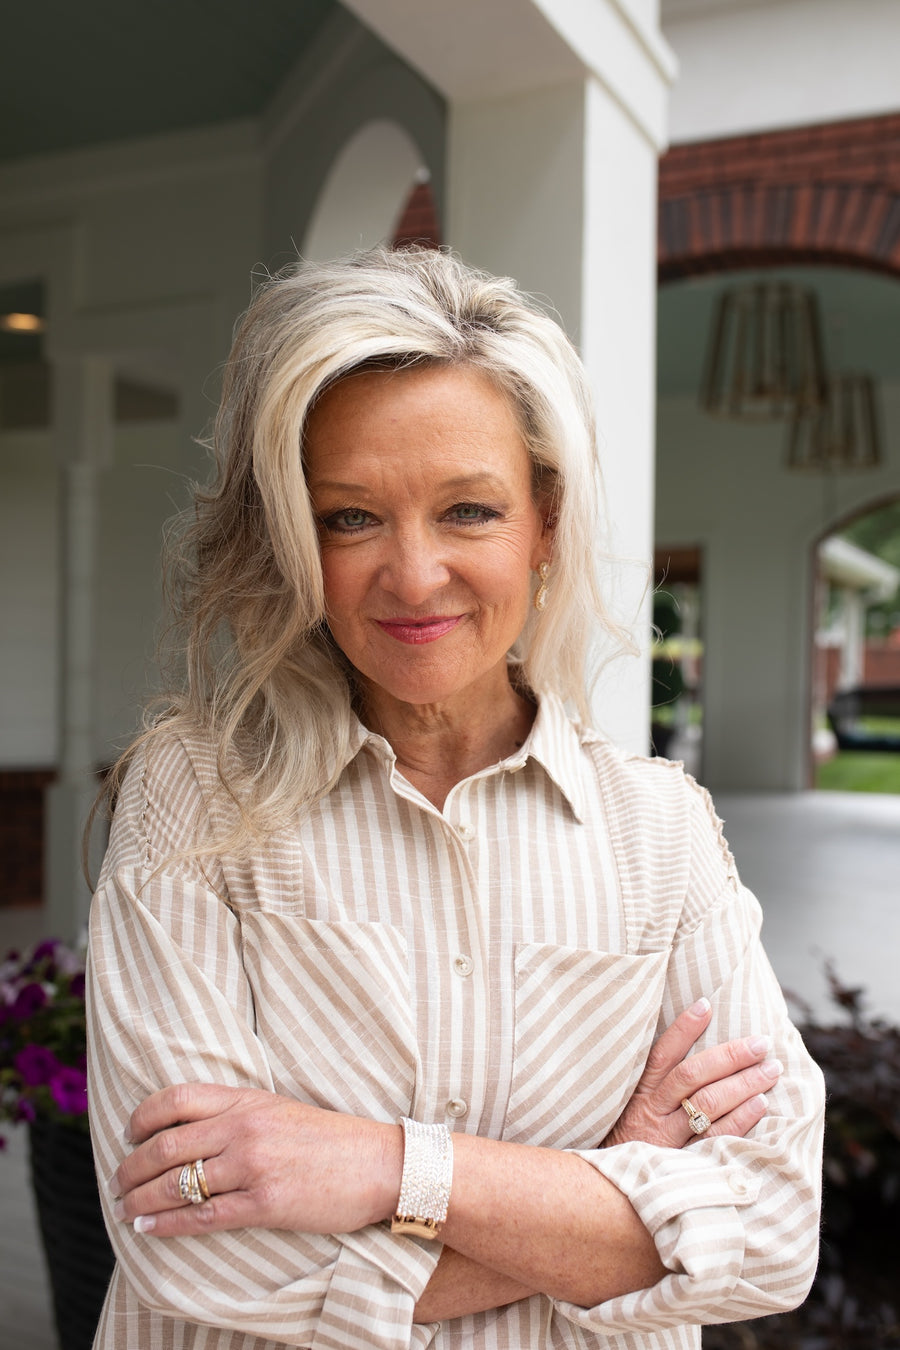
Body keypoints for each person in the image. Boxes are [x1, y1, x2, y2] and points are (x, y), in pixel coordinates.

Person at [87, 245, 824, 1350]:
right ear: (293, 537)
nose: (414, 574)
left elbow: (772, 1232)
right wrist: (600, 1200)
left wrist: (386, 1165)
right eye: (350, 517)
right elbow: (196, 1249)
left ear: (545, 522)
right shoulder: (194, 797)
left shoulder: (660, 833)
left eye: (469, 511)